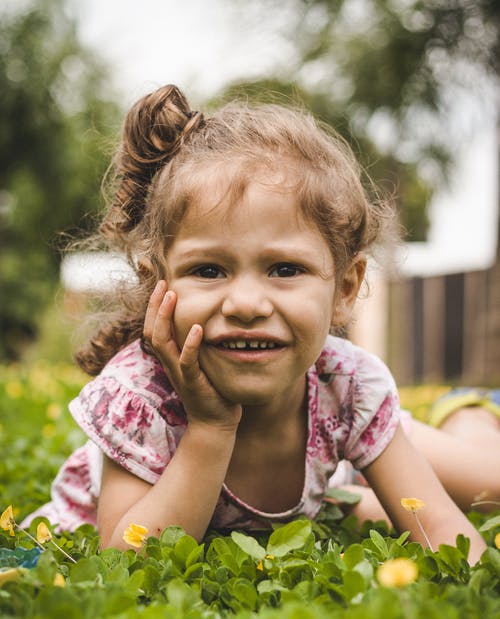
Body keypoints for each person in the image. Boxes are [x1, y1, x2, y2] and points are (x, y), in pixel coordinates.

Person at [22, 84, 498, 563]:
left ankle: (468, 415)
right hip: (279, 503)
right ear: (156, 287)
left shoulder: (348, 385)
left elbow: (439, 527)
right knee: (360, 515)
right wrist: (210, 428)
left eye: (285, 269)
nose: (246, 304)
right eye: (208, 270)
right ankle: (350, 498)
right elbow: (123, 563)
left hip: (321, 481)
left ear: (346, 288)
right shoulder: (141, 397)